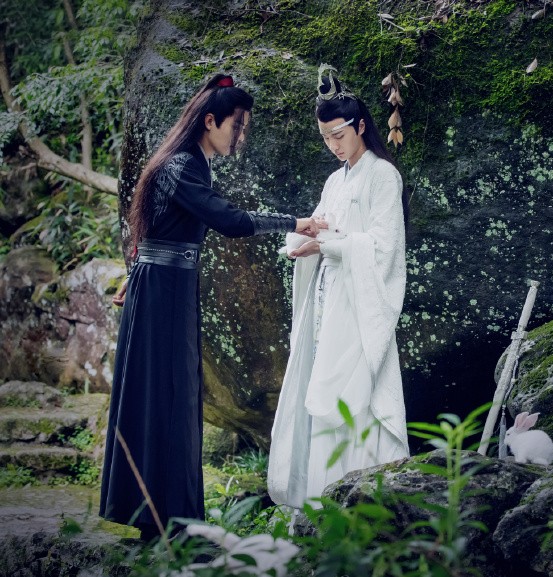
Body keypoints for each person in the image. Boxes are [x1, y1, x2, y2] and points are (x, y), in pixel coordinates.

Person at [100, 73, 323, 541]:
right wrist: (297, 222)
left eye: (244, 128)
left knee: (172, 396)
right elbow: (231, 221)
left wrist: (135, 272)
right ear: (209, 121)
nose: (239, 136)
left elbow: (154, 227)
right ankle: (168, 523)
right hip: (163, 291)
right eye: (235, 126)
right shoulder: (183, 165)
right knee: (167, 397)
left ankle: (164, 521)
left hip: (166, 287)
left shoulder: (189, 163)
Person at [267, 65, 409, 511]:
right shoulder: (335, 181)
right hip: (330, 298)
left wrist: (329, 243)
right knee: (322, 392)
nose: (333, 145)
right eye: (326, 137)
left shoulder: (383, 176)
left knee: (355, 394)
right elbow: (320, 225)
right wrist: (305, 242)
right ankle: (320, 499)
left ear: (361, 126)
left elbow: (384, 246)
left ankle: (363, 502)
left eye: (339, 135)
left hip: (361, 303)